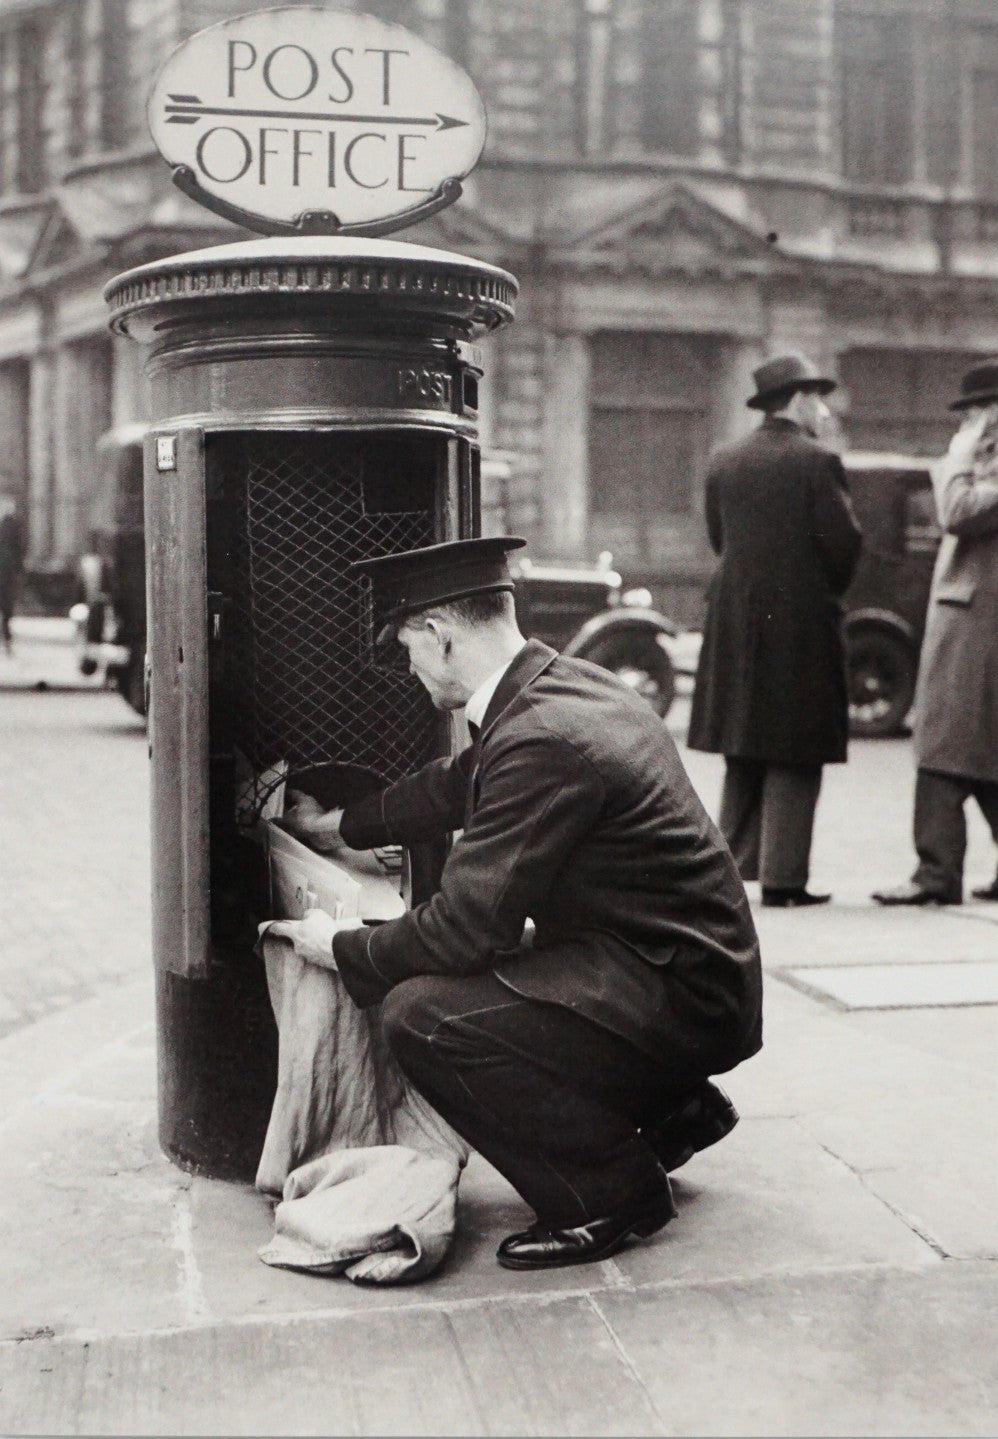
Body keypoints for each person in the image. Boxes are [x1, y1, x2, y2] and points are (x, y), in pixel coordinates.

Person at [270, 536, 763, 1272]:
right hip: (686, 969)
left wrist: (339, 947)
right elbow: (456, 782)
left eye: (407, 645)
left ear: (440, 637)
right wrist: (335, 828)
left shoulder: (540, 736)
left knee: (426, 1016)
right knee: (508, 977)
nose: (407, 666)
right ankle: (673, 1110)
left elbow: (464, 931)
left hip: (679, 992)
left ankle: (606, 1191)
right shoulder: (565, 685)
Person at [687, 352, 863, 908]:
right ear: (800, 400)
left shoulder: (724, 459)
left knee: (744, 742)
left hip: (735, 618)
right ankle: (785, 878)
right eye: (819, 399)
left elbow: (719, 539)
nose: (826, 411)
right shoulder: (817, 462)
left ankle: (733, 869)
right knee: (796, 747)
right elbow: (843, 546)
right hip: (800, 624)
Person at [873, 359, 998, 906]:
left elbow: (955, 510)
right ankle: (939, 868)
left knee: (945, 743)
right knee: (977, 744)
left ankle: (936, 872)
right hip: (976, 620)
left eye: (973, 412)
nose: (967, 422)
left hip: (979, 623)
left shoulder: (976, 462)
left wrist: (957, 456)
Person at [0, 488, 25, 655]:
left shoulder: (12, 524)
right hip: (7, 569)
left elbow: (19, 548)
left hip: (7, 570)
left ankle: (7, 638)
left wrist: (18, 568)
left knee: (7, 606)